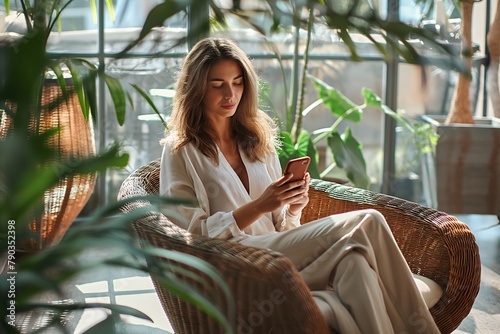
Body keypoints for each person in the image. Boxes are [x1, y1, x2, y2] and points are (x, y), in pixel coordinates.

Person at [159, 37, 440, 334]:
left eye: (238, 82)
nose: (230, 94)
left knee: (355, 263)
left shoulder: (256, 139)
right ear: (195, 88)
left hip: (278, 256)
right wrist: (258, 206)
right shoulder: (182, 150)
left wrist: (292, 208)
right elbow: (189, 234)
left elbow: (282, 228)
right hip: (236, 263)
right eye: (217, 85)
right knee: (369, 220)